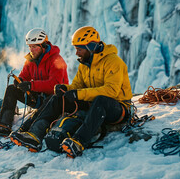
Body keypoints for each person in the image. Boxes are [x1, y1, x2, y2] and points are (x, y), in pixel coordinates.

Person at [10, 26, 133, 156]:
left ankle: (78, 142)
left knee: (101, 100)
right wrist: (65, 89)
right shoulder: (85, 64)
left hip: (119, 108)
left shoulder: (113, 62)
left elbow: (111, 91)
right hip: (93, 104)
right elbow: (77, 85)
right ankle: (35, 135)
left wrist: (78, 94)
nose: (76, 53)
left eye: (79, 49)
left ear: (90, 47)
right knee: (58, 98)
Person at [0, 28, 69, 137]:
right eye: (30, 46)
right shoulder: (31, 59)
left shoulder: (56, 60)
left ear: (43, 46)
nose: (31, 50)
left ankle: (32, 130)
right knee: (12, 89)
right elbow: (24, 75)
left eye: (34, 46)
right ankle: (4, 124)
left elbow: (54, 85)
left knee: (51, 97)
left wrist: (31, 85)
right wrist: (20, 81)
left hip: (54, 101)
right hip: (38, 98)